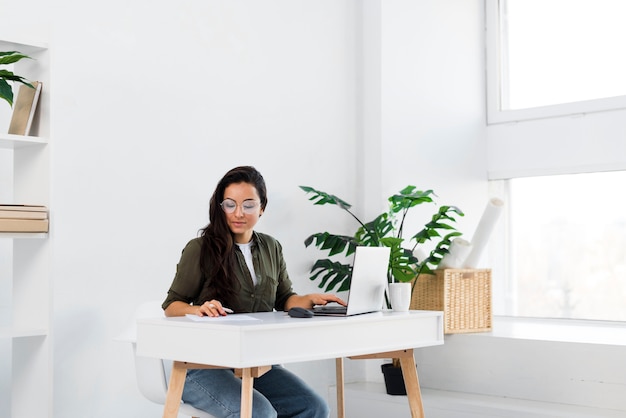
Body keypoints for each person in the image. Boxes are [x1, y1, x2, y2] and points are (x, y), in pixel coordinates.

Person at [162, 165, 346, 418]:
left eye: (248, 205)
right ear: (220, 206)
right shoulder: (200, 248)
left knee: (314, 407)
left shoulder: (272, 247)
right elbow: (172, 305)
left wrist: (309, 300)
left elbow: (284, 298)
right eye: (230, 204)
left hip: (253, 362)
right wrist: (198, 309)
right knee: (259, 413)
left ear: (262, 208)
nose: (238, 213)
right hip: (201, 367)